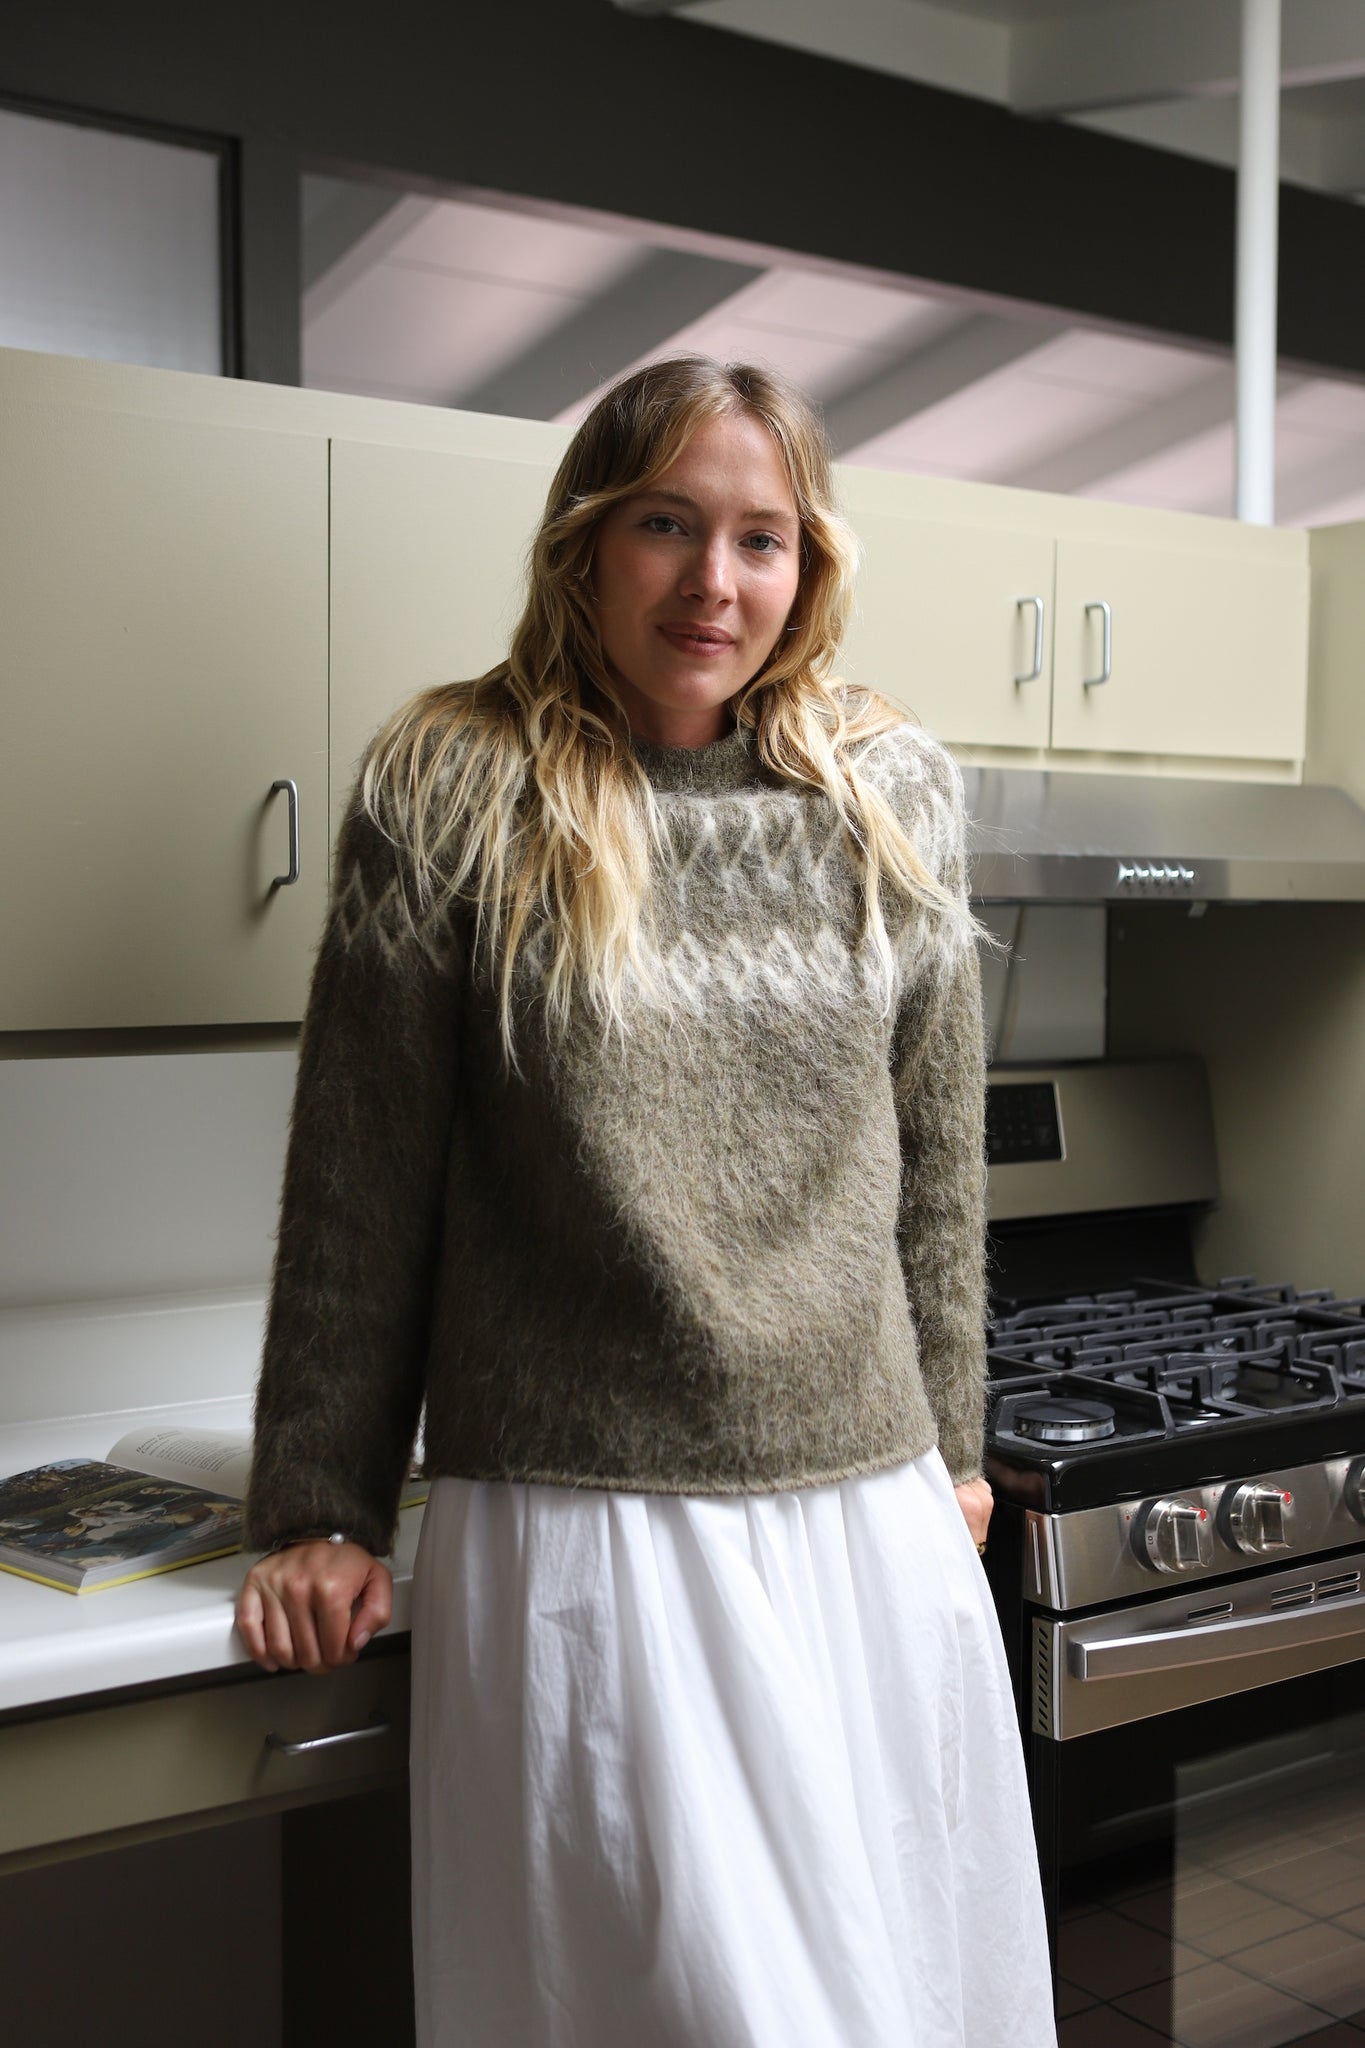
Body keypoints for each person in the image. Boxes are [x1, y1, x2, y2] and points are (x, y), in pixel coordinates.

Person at [235, 355, 1057, 2047]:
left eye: (762, 538)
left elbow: (932, 1164)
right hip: (579, 1517)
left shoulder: (884, 789)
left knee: (903, 1999)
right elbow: (359, 1177)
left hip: (862, 1506)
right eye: (668, 526)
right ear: (587, 542)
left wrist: (955, 1448)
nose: (714, 583)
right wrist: (320, 1500)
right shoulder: (453, 785)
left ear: (806, 567)